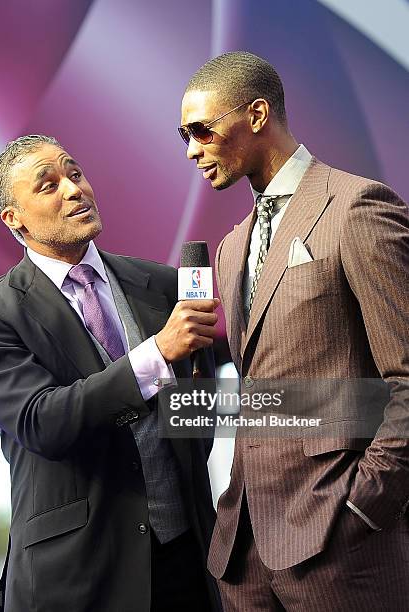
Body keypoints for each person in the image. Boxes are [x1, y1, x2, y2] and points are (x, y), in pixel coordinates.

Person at [0, 135, 223, 612]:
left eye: (75, 174)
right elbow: (42, 423)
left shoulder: (158, 284)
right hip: (78, 576)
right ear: (14, 219)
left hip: (188, 556)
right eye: (48, 185)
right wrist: (156, 353)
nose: (74, 190)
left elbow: (195, 417)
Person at [179, 51, 409, 610]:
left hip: (342, 540)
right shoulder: (232, 247)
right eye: (183, 135)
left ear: (256, 115)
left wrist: (363, 505)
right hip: (245, 552)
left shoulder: (356, 208)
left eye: (202, 130)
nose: (192, 150)